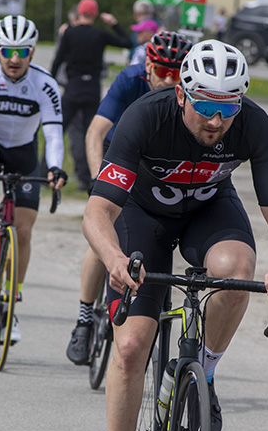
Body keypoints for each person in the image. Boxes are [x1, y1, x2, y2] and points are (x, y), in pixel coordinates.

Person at [82, 40, 268, 431]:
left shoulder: (253, 124)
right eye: (205, 106)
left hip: (208, 210)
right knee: (129, 348)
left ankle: (205, 371)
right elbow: (98, 212)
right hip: (144, 219)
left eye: (228, 109)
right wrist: (115, 259)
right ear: (181, 94)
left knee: (237, 270)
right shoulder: (145, 116)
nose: (218, 122)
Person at [65, 31, 192, 366]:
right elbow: (95, 132)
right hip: (122, 158)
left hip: (159, 169)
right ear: (147, 65)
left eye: (176, 73)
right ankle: (83, 319)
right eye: (162, 71)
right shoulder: (129, 80)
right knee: (103, 237)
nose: (168, 79)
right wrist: (97, 182)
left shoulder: (187, 95)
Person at [0, 15, 68, 344]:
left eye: (22, 51)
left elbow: (53, 133)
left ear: (32, 52)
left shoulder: (45, 84)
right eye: (7, 51)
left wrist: (55, 167)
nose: (14, 58)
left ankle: (11, 303)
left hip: (24, 150)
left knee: (22, 230)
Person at [50, 0, 133, 191]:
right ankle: (88, 179)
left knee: (56, 130)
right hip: (92, 88)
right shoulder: (100, 34)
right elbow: (127, 43)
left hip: (73, 87)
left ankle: (45, 172)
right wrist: (114, 24)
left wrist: (50, 82)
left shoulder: (70, 33)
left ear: (79, 12)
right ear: (95, 15)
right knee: (93, 135)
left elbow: (58, 60)